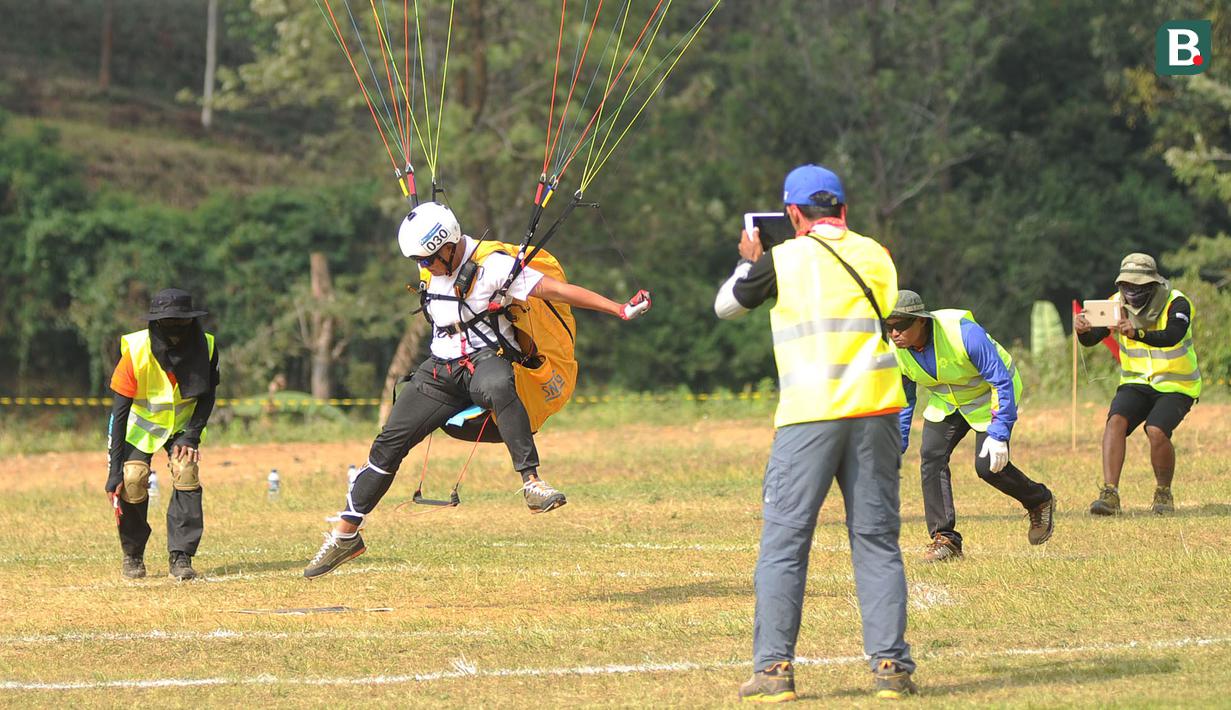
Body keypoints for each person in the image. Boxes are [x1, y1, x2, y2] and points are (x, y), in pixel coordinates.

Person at [303, 201, 652, 578]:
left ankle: (532, 483)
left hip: (484, 362)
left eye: (429, 260)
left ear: (450, 245)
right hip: (439, 370)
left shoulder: (496, 267)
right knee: (388, 443)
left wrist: (618, 309)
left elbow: (556, 291)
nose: (424, 268)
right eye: (419, 262)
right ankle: (346, 534)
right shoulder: (433, 264)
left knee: (500, 383)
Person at [715, 164, 916, 701]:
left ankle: (774, 671)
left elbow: (727, 306)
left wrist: (748, 260)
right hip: (877, 412)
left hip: (811, 414)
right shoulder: (877, 255)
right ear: (844, 211)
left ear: (793, 215)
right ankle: (891, 668)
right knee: (876, 540)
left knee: (785, 542)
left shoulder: (783, 259)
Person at [889, 290, 1055, 563]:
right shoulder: (895, 351)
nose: (894, 333)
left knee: (988, 467)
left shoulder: (963, 333)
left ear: (921, 321)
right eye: (889, 326)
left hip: (991, 396)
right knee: (931, 458)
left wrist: (1000, 432)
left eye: (902, 325)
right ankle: (946, 540)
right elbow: (903, 400)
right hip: (949, 402)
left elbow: (1000, 381)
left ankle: (1038, 499)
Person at [105, 288, 221, 581]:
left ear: (191, 321)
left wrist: (191, 435)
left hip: (182, 426)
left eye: (181, 323)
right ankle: (133, 555)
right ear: (155, 322)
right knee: (132, 479)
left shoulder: (205, 346)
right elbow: (119, 414)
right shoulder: (136, 350)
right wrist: (113, 470)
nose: (174, 331)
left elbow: (207, 396)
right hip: (141, 425)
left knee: (186, 471)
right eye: (168, 323)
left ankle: (181, 556)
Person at [1074, 253, 1201, 515]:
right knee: (1115, 422)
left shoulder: (1176, 302)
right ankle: (1110, 494)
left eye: (1138, 286)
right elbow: (1092, 339)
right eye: (1126, 285)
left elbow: (1172, 336)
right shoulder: (1114, 304)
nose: (1131, 291)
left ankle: (1163, 493)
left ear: (1153, 284)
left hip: (1177, 385)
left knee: (1155, 430)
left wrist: (1137, 332)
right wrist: (1082, 331)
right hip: (1135, 381)